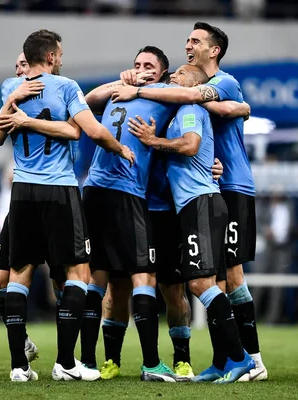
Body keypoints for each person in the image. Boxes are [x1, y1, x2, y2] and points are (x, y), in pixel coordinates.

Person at [110, 21, 268, 381]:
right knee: (214, 278)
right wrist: (137, 80)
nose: (187, 45)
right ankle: (225, 360)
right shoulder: (180, 101)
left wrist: (141, 92)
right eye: (186, 39)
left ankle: (251, 359)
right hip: (208, 185)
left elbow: (204, 104)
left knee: (228, 276)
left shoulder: (220, 83)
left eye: (195, 41)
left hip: (230, 186)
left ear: (214, 50)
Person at [0, 29, 134, 382]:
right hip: (58, 190)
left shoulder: (12, 89)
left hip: (22, 190)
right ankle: (66, 363)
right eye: (60, 51)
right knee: (78, 274)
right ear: (52, 56)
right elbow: (87, 132)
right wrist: (121, 149)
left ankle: (18, 367)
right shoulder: (67, 87)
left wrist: (15, 107)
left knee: (19, 273)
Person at [81, 46, 186, 382]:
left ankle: (147, 361)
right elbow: (85, 100)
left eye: (149, 66)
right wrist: (120, 82)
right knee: (111, 276)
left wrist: (138, 87)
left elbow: (194, 95)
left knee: (141, 278)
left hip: (127, 192)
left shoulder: (165, 92)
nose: (141, 69)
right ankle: (92, 363)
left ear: (163, 74)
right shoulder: (119, 89)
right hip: (108, 190)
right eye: (137, 64)